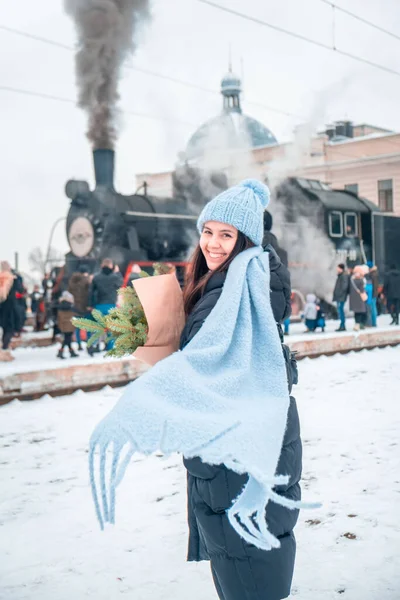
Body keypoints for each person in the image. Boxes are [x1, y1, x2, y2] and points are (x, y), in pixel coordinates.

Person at [89, 180, 302, 600]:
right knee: (248, 574)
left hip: (236, 465)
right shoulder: (238, 284)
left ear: (245, 240)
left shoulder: (235, 291)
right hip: (238, 457)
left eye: (227, 235)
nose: (213, 244)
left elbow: (216, 375)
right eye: (208, 231)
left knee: (249, 579)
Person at [88, 258, 123, 353]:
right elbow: (121, 283)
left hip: (99, 306)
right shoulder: (115, 277)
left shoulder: (96, 277)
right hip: (111, 306)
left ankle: (92, 345)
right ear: (111, 266)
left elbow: (91, 292)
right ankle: (109, 347)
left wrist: (90, 305)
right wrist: (117, 272)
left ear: (101, 266)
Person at [68, 265, 90, 350]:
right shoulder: (86, 280)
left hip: (75, 307)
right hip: (84, 307)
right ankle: (89, 344)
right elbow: (89, 292)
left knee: (77, 327)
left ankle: (79, 344)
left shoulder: (72, 280)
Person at [0, 261, 18, 350]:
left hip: (1, 305)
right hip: (10, 305)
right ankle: (5, 347)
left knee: (3, 326)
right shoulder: (11, 278)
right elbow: (19, 289)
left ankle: (4, 345)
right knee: (9, 327)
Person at [56, 291, 79, 359]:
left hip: (63, 324)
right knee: (67, 339)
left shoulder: (60, 305)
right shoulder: (71, 306)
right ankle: (61, 351)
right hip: (69, 324)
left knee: (67, 338)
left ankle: (71, 351)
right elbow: (76, 313)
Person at [349, 266, 367, 331]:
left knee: (357, 312)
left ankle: (357, 325)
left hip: (355, 299)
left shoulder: (352, 280)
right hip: (359, 299)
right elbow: (362, 290)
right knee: (359, 312)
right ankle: (359, 325)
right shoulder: (361, 280)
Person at [332, 263, 350, 331]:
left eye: (338, 268)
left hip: (341, 297)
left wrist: (339, 294)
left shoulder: (343, 276)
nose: (337, 269)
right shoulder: (341, 275)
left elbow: (344, 287)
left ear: (341, 268)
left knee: (341, 311)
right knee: (340, 311)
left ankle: (342, 325)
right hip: (340, 296)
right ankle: (342, 325)